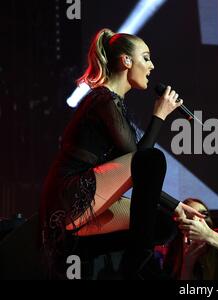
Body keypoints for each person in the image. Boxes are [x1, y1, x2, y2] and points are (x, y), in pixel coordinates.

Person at [39, 28, 203, 279]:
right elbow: (142, 162)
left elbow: (142, 174)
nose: (152, 65)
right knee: (153, 159)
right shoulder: (104, 100)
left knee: (163, 225)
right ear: (126, 61)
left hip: (88, 204)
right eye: (146, 58)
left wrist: (177, 206)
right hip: (70, 195)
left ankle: (97, 261)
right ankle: (135, 269)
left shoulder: (113, 104)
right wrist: (159, 115)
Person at [163, 198, 218, 280]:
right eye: (190, 218)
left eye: (204, 215)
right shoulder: (169, 263)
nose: (198, 222)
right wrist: (187, 265)